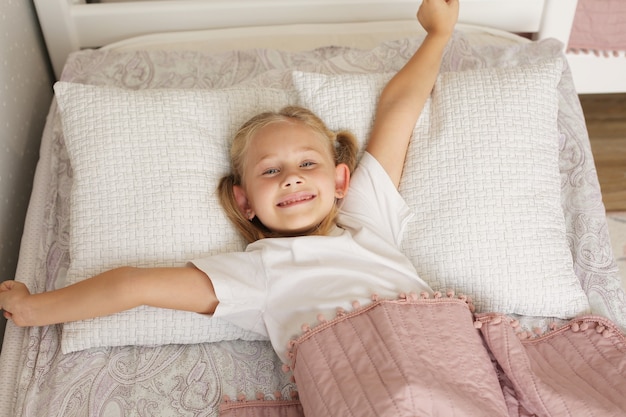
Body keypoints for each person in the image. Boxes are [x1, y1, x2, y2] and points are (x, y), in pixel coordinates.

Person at [0, 0, 459, 365]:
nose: (292, 176)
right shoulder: (260, 272)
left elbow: (399, 109)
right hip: (365, 376)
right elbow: (132, 286)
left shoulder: (367, 218)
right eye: (270, 171)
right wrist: (33, 309)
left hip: (450, 351)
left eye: (306, 163)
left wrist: (437, 35)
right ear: (245, 203)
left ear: (341, 179)